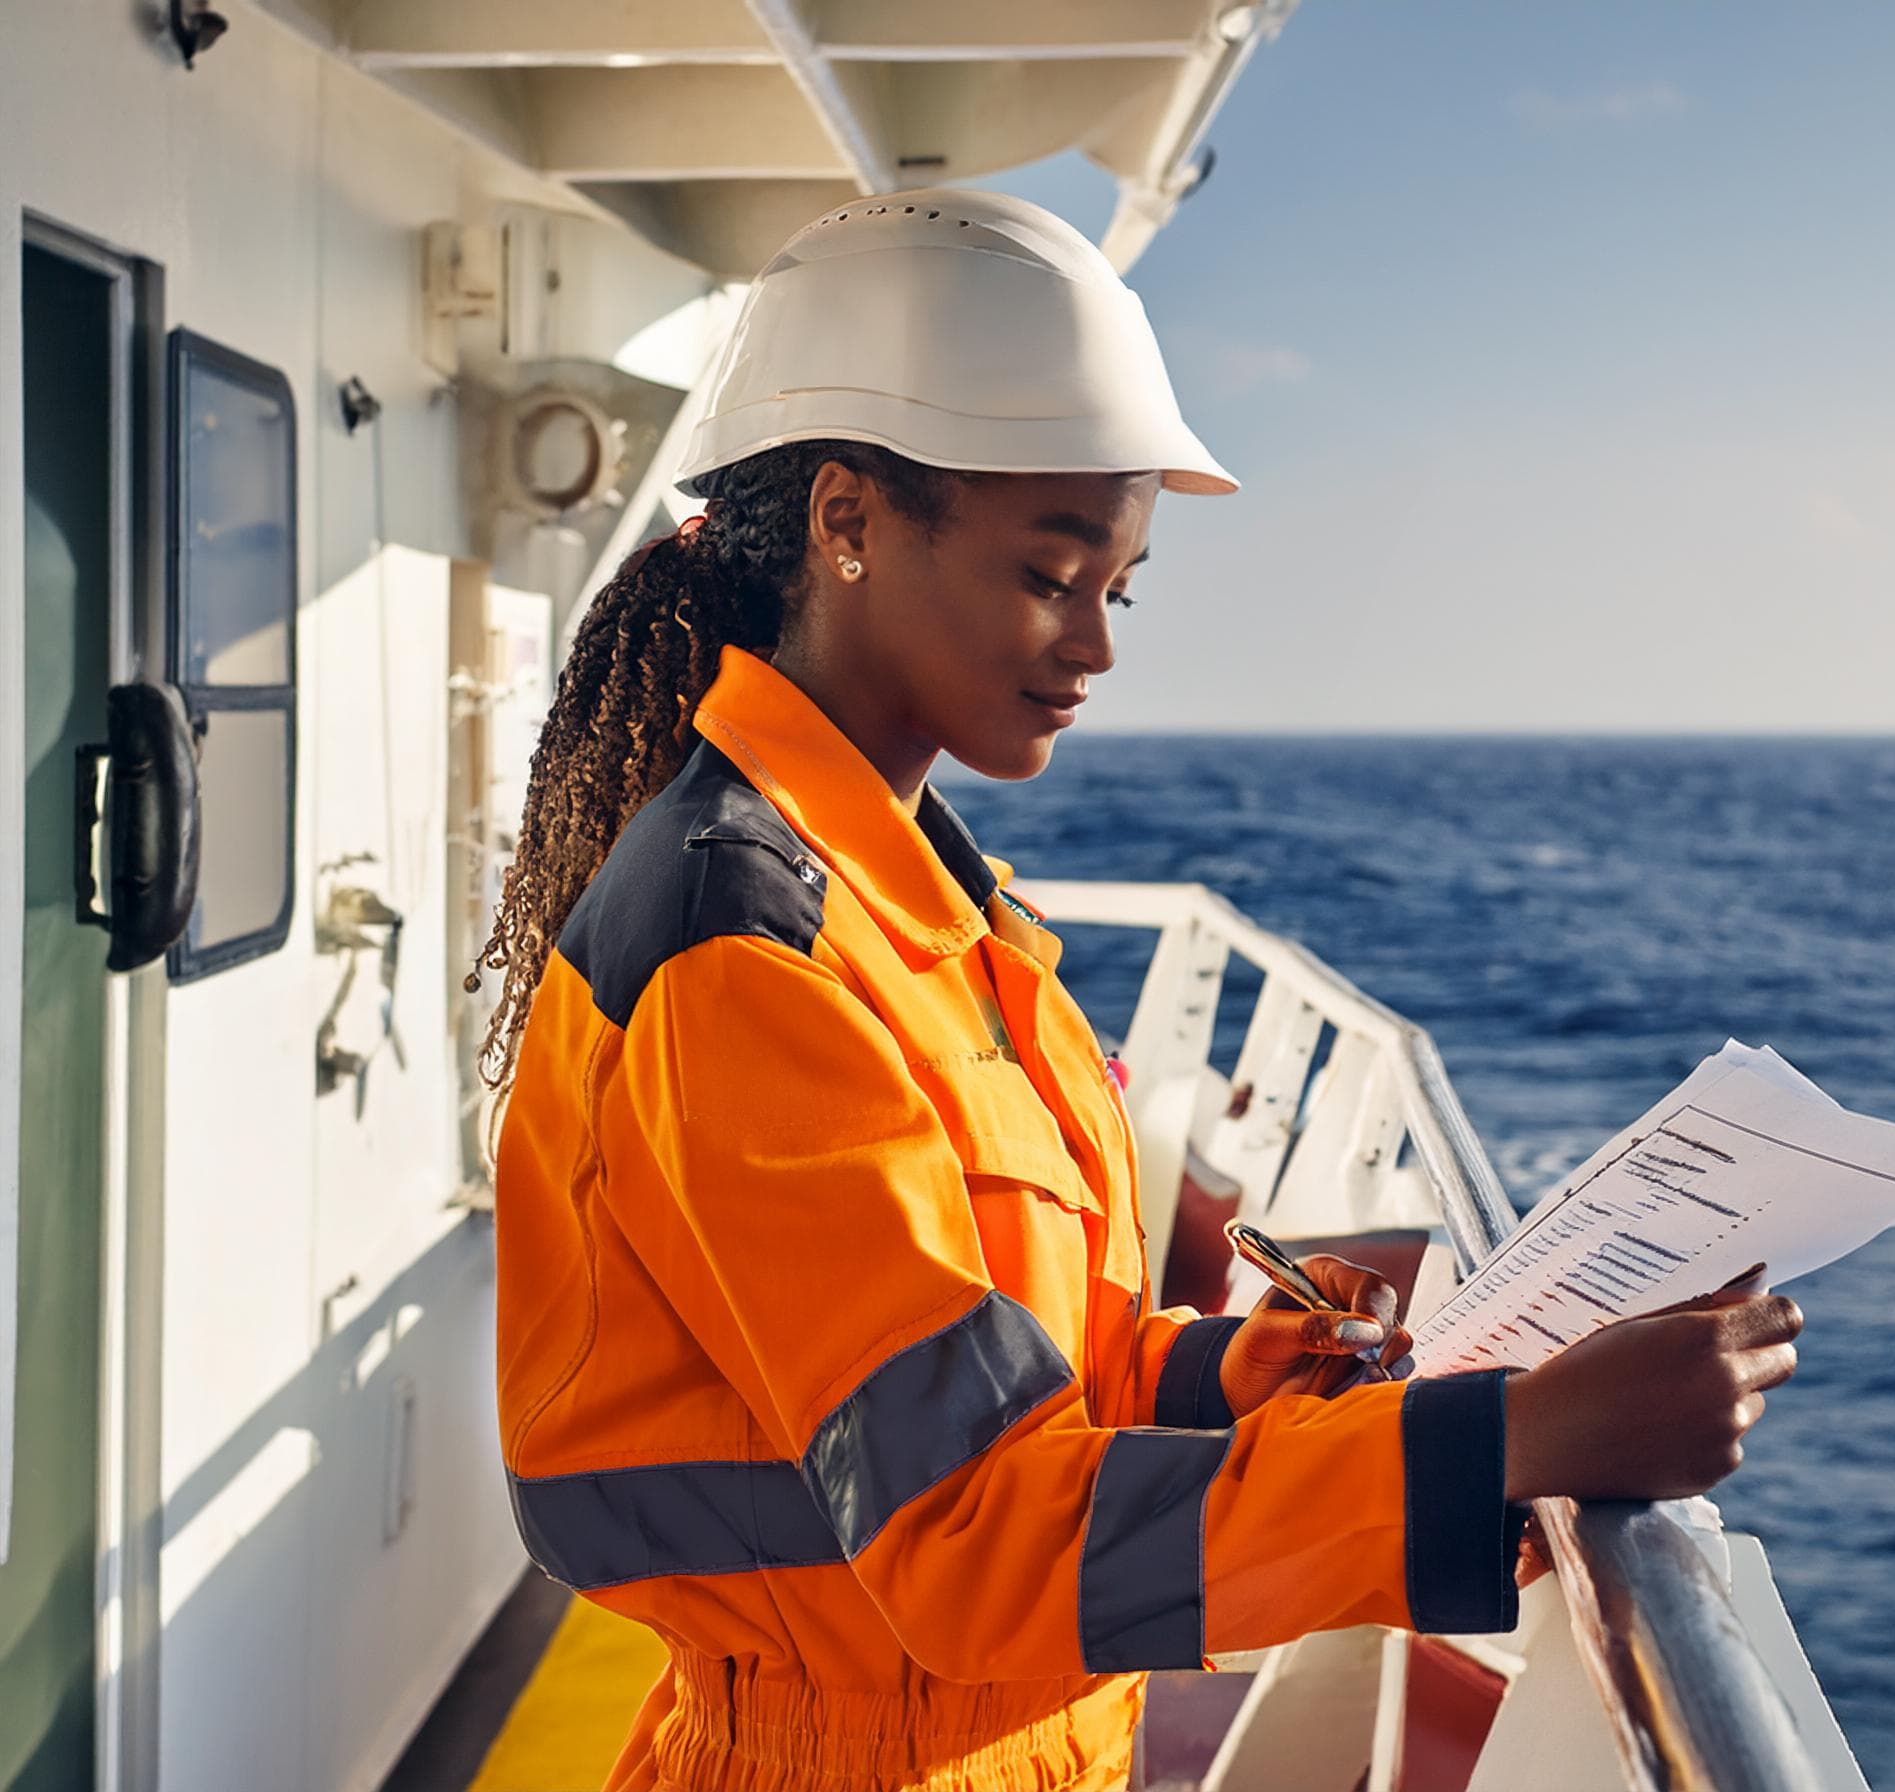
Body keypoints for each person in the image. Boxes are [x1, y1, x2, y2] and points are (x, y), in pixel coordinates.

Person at [473, 190, 1802, 1792]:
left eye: (1124, 586)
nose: (1097, 644)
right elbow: (971, 1540)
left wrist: (1210, 1372)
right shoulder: (747, 960)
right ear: (847, 522)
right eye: (1053, 572)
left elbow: (984, 1371)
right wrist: (1512, 1448)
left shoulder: (930, 913)